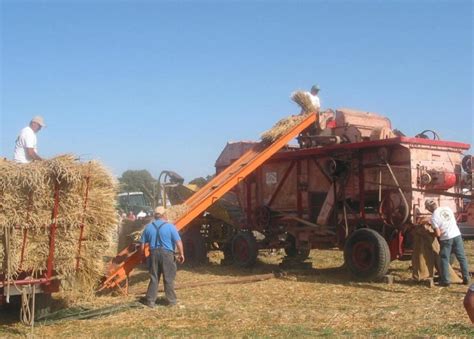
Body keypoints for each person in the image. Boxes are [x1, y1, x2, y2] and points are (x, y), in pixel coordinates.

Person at [140, 206, 185, 307]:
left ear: (155, 216)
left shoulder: (148, 227)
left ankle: (150, 301)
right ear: (164, 215)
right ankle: (172, 301)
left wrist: (142, 256)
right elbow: (178, 241)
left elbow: (142, 244)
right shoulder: (170, 227)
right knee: (168, 278)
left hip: (153, 254)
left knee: (154, 277)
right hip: (167, 254)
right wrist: (181, 254)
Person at [425, 199, 470, 286]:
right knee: (462, 258)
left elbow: (438, 234)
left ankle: (446, 281)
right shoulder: (447, 208)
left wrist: (430, 233)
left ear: (429, 209)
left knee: (444, 259)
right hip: (457, 235)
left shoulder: (434, 217)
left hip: (446, 239)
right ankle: (466, 278)